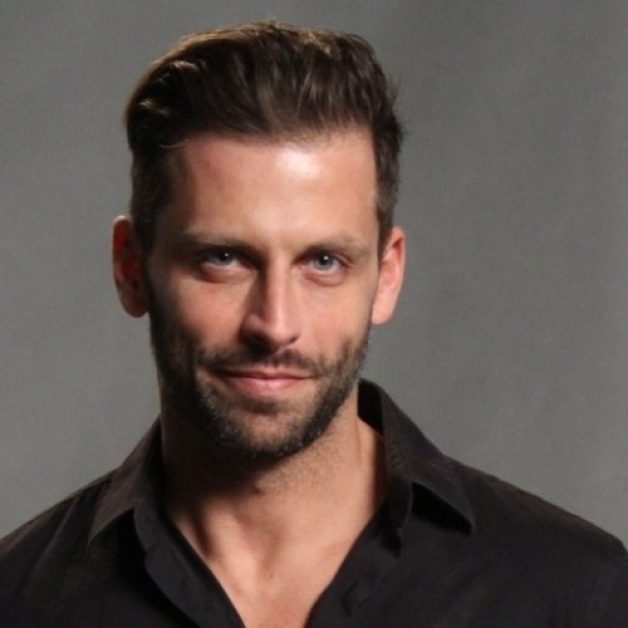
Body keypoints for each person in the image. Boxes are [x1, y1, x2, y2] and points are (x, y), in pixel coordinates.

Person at [1, 20, 626, 628]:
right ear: (131, 267)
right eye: (224, 258)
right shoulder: (19, 602)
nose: (275, 325)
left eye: (323, 262)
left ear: (385, 276)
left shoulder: (573, 594)